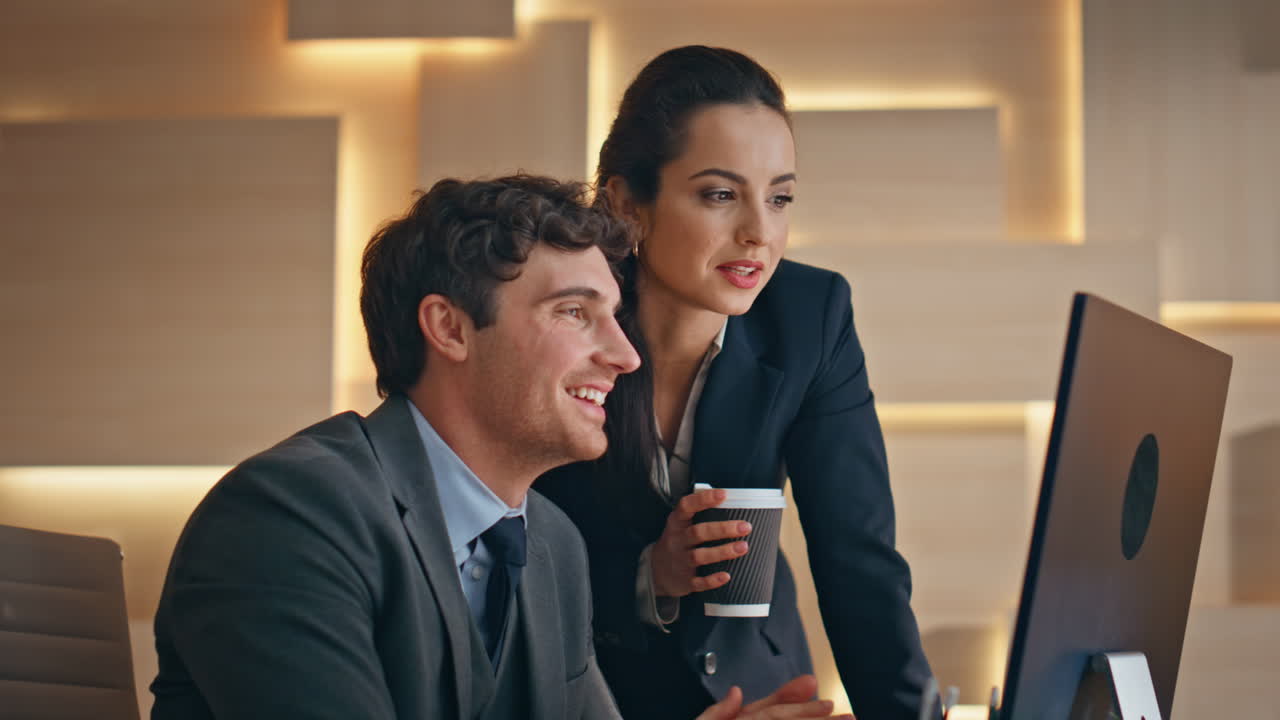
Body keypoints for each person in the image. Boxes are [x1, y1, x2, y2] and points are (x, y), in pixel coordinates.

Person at [149, 175, 850, 720]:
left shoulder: (551, 546)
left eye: (615, 315)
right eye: (576, 313)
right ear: (449, 329)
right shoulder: (288, 519)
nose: (624, 355)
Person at [536, 46, 937, 720]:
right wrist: (648, 578)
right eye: (720, 194)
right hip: (596, 695)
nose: (760, 234)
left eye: (779, 198)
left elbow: (858, 562)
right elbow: (510, 563)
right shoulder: (558, 321)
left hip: (767, 693)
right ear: (628, 203)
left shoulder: (811, 316)